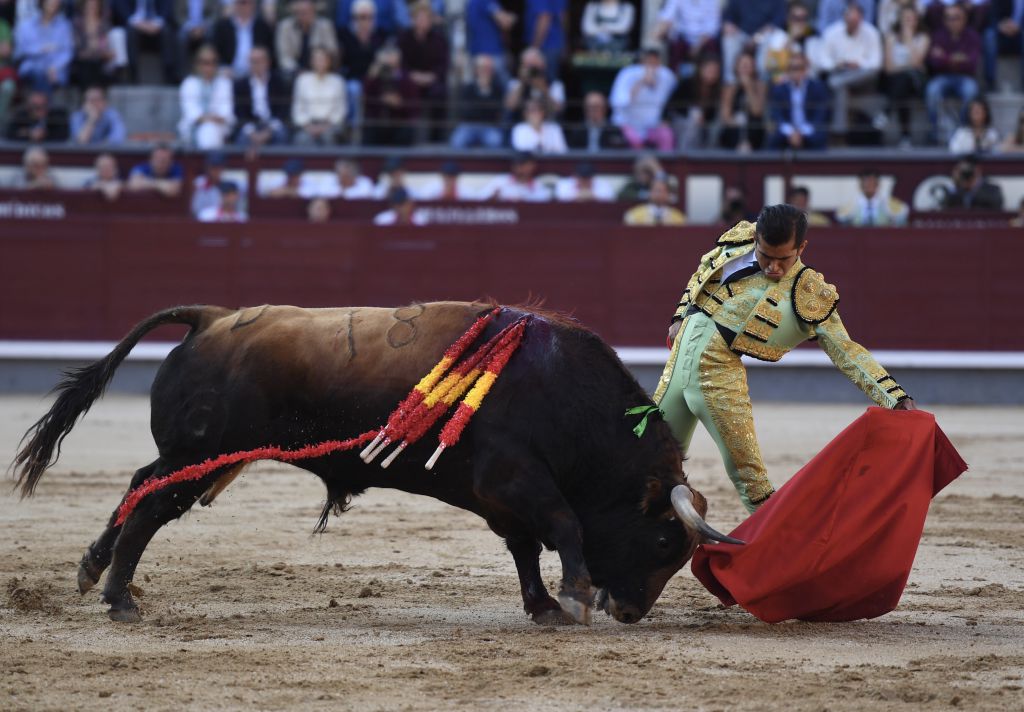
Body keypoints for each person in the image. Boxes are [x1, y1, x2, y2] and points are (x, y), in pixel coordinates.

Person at [655, 205, 916, 513]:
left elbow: (846, 350)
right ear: (756, 239)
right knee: (648, 460)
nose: (774, 267)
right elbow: (702, 273)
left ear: (801, 248)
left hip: (717, 371)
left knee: (750, 477)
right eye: (766, 256)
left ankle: (785, 551)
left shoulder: (808, 292)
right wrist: (680, 315)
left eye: (784, 259)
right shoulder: (737, 241)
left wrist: (894, 396)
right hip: (679, 360)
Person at [818, 1, 882, 142]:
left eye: (856, 20)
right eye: (850, 19)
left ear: (861, 19)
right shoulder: (831, 32)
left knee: (837, 83)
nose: (853, 23)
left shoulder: (871, 32)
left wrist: (858, 63)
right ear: (844, 17)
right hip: (840, 73)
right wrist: (839, 64)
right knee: (841, 87)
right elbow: (823, 61)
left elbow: (876, 63)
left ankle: (838, 134)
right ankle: (840, 133)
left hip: (863, 76)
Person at [925, 2, 981, 144]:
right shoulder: (938, 35)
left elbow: (972, 64)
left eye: (956, 17)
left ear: (964, 19)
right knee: (932, 91)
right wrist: (957, 59)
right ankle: (935, 131)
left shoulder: (972, 36)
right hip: (942, 76)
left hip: (965, 77)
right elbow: (934, 63)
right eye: (949, 18)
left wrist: (945, 57)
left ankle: (961, 130)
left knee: (971, 90)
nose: (952, 21)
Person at [608, 45, 677, 151]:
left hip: (653, 124)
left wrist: (666, 119)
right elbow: (619, 102)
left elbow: (673, 96)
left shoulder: (666, 75)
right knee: (635, 141)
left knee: (666, 135)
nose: (652, 65)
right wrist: (641, 82)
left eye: (655, 61)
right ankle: (641, 166)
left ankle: (664, 166)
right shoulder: (627, 74)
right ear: (642, 61)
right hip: (628, 122)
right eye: (649, 61)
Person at [398, 1, 448, 140]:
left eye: (427, 18)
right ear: (413, 19)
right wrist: (412, 76)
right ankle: (407, 136)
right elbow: (401, 64)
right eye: (420, 17)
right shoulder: (404, 38)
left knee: (439, 92)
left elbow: (443, 64)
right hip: (410, 80)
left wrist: (431, 77)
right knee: (406, 89)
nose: (423, 21)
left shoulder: (439, 39)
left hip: (432, 80)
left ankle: (437, 139)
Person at [883, 3, 929, 149]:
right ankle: (905, 137)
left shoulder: (923, 37)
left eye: (911, 19)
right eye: (905, 19)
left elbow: (917, 62)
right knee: (902, 85)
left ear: (917, 20)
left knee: (905, 80)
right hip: (896, 81)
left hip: (916, 82)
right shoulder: (891, 37)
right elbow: (888, 68)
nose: (908, 22)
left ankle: (886, 113)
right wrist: (908, 66)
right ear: (899, 20)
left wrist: (909, 38)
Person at [767, 52, 830, 150]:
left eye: (799, 67)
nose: (796, 71)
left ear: (806, 69)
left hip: (809, 130)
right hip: (787, 131)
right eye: (792, 68)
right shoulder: (779, 89)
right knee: (772, 139)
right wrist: (791, 132)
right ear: (788, 70)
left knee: (819, 138)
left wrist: (801, 132)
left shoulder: (818, 88)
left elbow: (820, 115)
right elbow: (776, 115)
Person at [179, 44, 235, 148]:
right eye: (204, 63)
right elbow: (191, 112)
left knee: (210, 130)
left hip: (219, 128)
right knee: (208, 130)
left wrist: (211, 120)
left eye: (212, 62)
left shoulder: (224, 83)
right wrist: (209, 119)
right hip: (194, 127)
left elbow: (226, 112)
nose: (208, 67)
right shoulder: (189, 83)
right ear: (197, 64)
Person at [720, 0, 787, 86]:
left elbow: (779, 19)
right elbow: (728, 15)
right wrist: (729, 25)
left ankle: (763, 79)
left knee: (777, 37)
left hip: (764, 34)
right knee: (729, 39)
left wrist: (758, 36)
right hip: (742, 33)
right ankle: (730, 80)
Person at [233, 45, 290, 147]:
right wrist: (252, 133)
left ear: (268, 62)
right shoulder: (241, 85)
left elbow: (283, 110)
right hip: (250, 124)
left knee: (282, 135)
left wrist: (269, 131)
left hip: (273, 124)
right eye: (252, 61)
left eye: (259, 61)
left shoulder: (279, 82)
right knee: (241, 139)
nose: (256, 65)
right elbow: (239, 111)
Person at [362, 44, 416, 145]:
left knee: (406, 133)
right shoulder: (375, 77)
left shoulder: (407, 79)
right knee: (369, 131)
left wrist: (400, 104)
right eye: (387, 56)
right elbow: (366, 97)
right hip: (378, 121)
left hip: (399, 122)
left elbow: (413, 108)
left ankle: (394, 160)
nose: (389, 59)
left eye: (392, 56)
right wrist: (371, 77)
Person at [292, 45, 346, 145]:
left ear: (329, 61)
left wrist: (325, 127)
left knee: (329, 137)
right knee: (302, 139)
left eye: (323, 59)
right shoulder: (302, 80)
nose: (320, 62)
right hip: (308, 125)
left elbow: (340, 110)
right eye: (317, 59)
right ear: (311, 61)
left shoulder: (337, 81)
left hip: (330, 125)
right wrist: (309, 126)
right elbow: (298, 109)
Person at [13, 0, 73, 92]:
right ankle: (42, 103)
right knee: (40, 74)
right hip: (32, 66)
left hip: (56, 68)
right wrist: (41, 49)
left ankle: (40, 103)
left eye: (55, 4)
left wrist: (55, 67)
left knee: (53, 76)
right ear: (42, 3)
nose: (53, 6)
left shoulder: (64, 26)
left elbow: (67, 52)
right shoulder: (27, 25)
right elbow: (22, 49)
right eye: (50, 3)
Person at [450, 54, 506, 149]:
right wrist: (485, 106)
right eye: (482, 68)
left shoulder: (497, 88)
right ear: (476, 70)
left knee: (495, 141)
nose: (485, 71)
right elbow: (465, 112)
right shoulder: (468, 88)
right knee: (457, 141)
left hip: (488, 126)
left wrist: (485, 91)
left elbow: (496, 111)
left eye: (488, 68)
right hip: (469, 126)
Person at [113, 0, 177, 83]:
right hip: (135, 24)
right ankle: (132, 72)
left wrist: (157, 24)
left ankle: (169, 72)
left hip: (157, 25)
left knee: (167, 31)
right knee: (130, 31)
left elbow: (167, 8)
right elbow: (122, 7)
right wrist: (138, 24)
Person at [275, 0, 338, 81]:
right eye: (299, 12)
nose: (303, 15)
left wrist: (320, 67)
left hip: (322, 69)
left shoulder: (325, 26)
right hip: (294, 72)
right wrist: (297, 70)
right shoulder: (284, 27)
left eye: (306, 12)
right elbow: (284, 57)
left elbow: (332, 50)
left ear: (313, 11)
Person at [210, 0, 273, 79]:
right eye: (241, 2)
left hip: (257, 74)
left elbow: (269, 52)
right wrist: (223, 68)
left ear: (254, 4)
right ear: (234, 4)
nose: (244, 6)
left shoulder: (263, 27)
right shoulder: (222, 27)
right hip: (228, 74)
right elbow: (214, 51)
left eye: (247, 2)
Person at [655, 0, 720, 74]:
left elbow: (712, 26)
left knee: (712, 46)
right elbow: (667, 16)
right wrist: (660, 30)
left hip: (704, 39)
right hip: (683, 38)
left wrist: (698, 46)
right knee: (675, 46)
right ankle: (673, 79)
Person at [719, 50, 765, 151]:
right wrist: (736, 122)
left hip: (753, 127)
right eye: (742, 65)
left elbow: (757, 111)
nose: (745, 68)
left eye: (748, 65)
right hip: (734, 127)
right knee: (732, 132)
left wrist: (749, 88)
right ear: (736, 67)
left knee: (754, 128)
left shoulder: (760, 85)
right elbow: (725, 116)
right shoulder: (729, 87)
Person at [503, 47, 565, 121]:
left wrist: (544, 89)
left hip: (548, 125)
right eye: (528, 65)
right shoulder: (515, 83)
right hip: (522, 126)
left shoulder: (555, 84)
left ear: (543, 65)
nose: (532, 69)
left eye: (534, 65)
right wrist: (522, 83)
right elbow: (509, 106)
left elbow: (558, 109)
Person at [835, 168, 910, 226]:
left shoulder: (886, 202)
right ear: (860, 185)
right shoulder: (852, 204)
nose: (869, 185)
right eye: (866, 182)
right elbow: (841, 217)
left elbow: (903, 212)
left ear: (878, 184)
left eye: (872, 182)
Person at [465, 0, 515, 76]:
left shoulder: (471, 2)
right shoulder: (487, 1)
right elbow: (505, 22)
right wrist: (513, 17)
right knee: (504, 84)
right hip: (491, 53)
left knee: (482, 85)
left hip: (476, 51)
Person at [479, 152, 552, 201]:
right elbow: (480, 197)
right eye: (517, 164)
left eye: (523, 164)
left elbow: (543, 202)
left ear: (533, 166)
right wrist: (492, 198)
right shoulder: (500, 181)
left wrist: (523, 201)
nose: (519, 168)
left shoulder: (538, 185)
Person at [984, 0, 1024, 90]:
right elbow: (992, 15)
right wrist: (1001, 25)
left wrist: (1018, 26)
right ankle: (990, 81)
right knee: (989, 36)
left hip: (1020, 32)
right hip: (1002, 31)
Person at [938, 156, 1005, 210]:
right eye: (961, 170)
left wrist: (973, 186)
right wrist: (955, 184)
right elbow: (944, 209)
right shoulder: (954, 191)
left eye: (967, 169)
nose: (965, 173)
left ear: (977, 169)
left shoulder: (993, 190)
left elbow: (996, 208)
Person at [523, 0, 566, 80]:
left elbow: (544, 18)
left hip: (544, 46)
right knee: (551, 81)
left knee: (538, 80)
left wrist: (534, 48)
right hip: (556, 44)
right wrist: (564, 42)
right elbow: (563, 16)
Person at [190, 151, 227, 217]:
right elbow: (195, 209)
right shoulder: (199, 183)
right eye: (213, 167)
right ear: (207, 168)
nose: (216, 171)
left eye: (219, 167)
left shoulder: (228, 183)